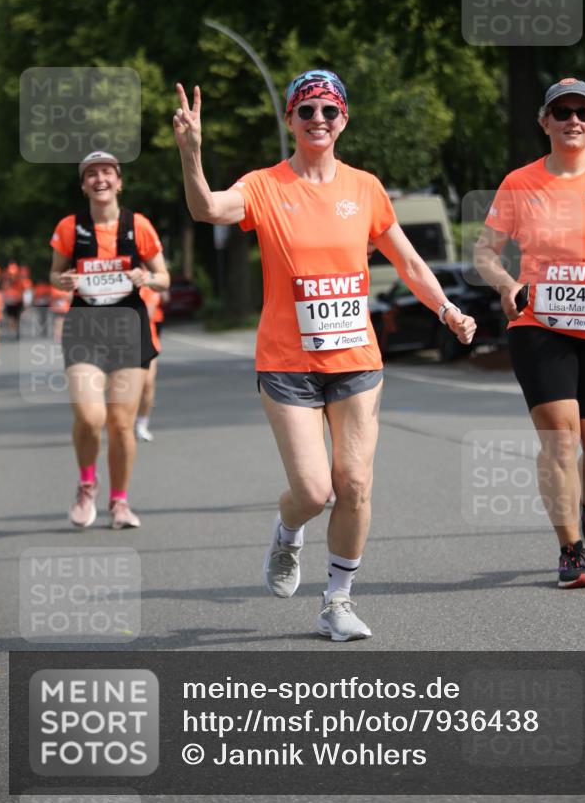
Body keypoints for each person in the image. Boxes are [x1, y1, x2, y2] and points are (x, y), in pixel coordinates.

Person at [174, 71, 476, 640]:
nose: (318, 119)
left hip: (356, 358)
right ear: (290, 118)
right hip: (286, 363)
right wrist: (192, 154)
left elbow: (410, 263)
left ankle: (337, 600)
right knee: (315, 491)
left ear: (343, 120)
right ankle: (288, 532)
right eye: (307, 109)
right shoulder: (264, 185)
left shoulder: (365, 188)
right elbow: (208, 208)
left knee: (354, 482)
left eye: (329, 110)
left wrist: (447, 310)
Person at [475, 78, 585, 589]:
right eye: (562, 112)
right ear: (545, 122)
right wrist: (507, 284)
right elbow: (486, 251)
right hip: (539, 324)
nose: (573, 120)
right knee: (560, 438)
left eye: (583, 112)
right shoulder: (520, 182)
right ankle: (571, 551)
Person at [50, 151, 170, 530]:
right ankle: (87, 485)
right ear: (83, 185)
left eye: (106, 172)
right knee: (90, 417)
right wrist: (62, 280)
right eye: (91, 174)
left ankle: (119, 502)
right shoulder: (70, 227)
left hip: (128, 329)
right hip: (84, 329)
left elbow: (163, 277)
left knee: (120, 423)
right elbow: (55, 274)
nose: (99, 179)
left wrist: (146, 278)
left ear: (119, 182)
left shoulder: (138, 226)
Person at [135, 277, 167, 441]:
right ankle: (123, 421)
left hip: (147, 341)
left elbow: (147, 314)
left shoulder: (149, 284)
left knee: (147, 384)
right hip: (118, 342)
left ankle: (142, 424)